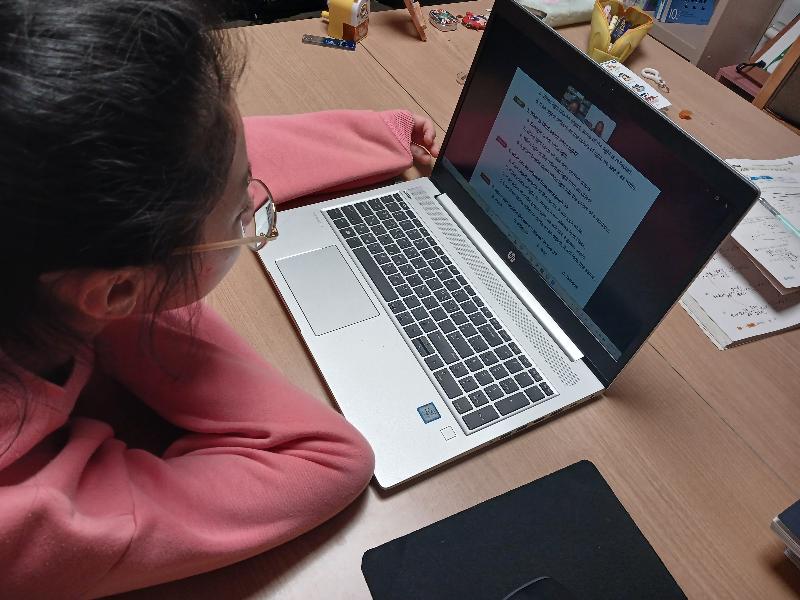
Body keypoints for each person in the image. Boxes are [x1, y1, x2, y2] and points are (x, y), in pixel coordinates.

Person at [0, 0, 439, 596]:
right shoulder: (27, 520)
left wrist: (379, 138)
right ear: (116, 288)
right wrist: (142, 306)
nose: (253, 210)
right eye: (242, 214)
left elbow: (151, 159)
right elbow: (325, 458)